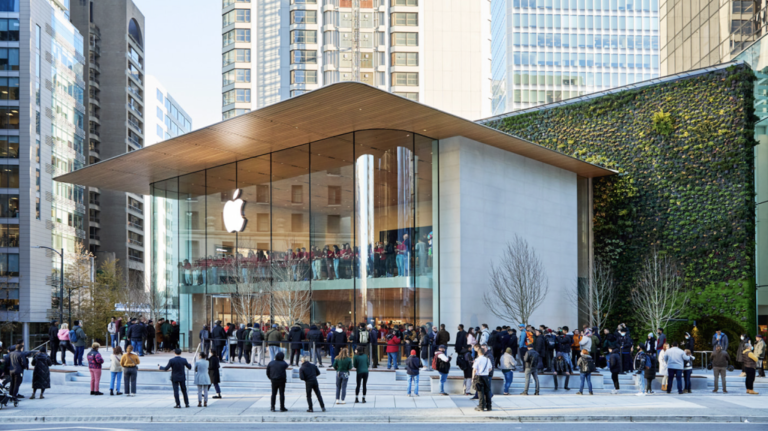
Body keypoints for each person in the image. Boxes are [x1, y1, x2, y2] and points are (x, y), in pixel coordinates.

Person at [472, 345, 493, 412]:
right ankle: (489, 406)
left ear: (478, 352)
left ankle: (481, 406)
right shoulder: (487, 359)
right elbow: (490, 368)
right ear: (484, 352)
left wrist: (473, 378)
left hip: (479, 376)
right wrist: (486, 371)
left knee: (480, 392)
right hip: (486, 376)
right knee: (487, 391)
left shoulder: (477, 360)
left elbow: (474, 370)